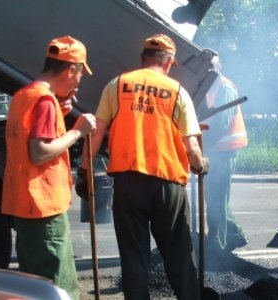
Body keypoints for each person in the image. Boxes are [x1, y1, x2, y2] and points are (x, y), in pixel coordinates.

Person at [76, 33, 209, 299]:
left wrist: (84, 170)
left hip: (127, 182)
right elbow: (192, 149)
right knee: (178, 254)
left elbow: (96, 132)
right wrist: (201, 165)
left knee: (134, 257)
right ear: (169, 62)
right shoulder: (177, 91)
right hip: (167, 183)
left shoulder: (118, 84)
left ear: (142, 59)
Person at [1, 35, 96, 300]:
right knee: (56, 283)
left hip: (25, 204)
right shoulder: (44, 101)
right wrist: (78, 131)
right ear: (70, 70)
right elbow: (39, 151)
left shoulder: (26, 94)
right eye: (80, 74)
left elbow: (31, 136)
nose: (79, 81)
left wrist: (60, 113)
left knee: (34, 283)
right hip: (43, 207)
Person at [200, 56, 249, 252]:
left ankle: (216, 245)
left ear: (214, 68)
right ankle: (235, 234)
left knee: (216, 199)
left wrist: (202, 148)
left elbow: (221, 123)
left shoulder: (224, 88)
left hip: (223, 150)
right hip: (214, 149)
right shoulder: (209, 87)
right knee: (217, 197)